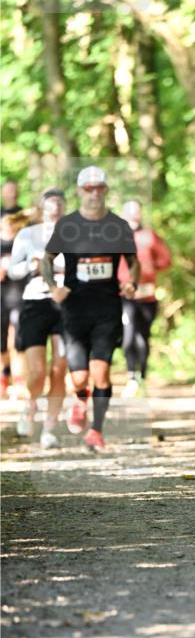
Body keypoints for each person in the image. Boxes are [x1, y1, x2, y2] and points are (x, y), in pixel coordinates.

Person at [41, 166, 139, 451]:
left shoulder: (118, 226)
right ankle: (80, 400)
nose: (94, 193)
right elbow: (47, 260)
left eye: (99, 188)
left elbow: (133, 262)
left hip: (107, 308)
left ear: (106, 190)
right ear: (80, 191)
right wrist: (53, 287)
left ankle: (96, 430)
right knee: (79, 378)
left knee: (101, 373)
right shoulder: (68, 225)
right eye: (88, 188)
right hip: (74, 310)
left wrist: (131, 282)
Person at [9, 189, 68, 447]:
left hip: (65, 306)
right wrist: (31, 265)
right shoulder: (27, 235)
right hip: (35, 303)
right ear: (42, 209)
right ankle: (30, 405)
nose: (54, 212)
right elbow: (12, 270)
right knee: (37, 371)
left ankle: (49, 428)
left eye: (59, 207)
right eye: (50, 207)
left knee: (60, 368)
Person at [118, 200, 171, 397]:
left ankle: (143, 376)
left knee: (143, 336)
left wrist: (150, 268)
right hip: (126, 296)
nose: (133, 215)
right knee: (128, 335)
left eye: (136, 211)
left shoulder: (149, 236)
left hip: (147, 296)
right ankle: (131, 376)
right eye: (129, 212)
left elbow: (165, 260)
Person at [1, 209, 31, 397]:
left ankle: (19, 380)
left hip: (20, 297)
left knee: (19, 340)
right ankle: (4, 375)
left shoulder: (23, 244)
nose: (10, 228)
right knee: (2, 341)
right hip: (1, 298)